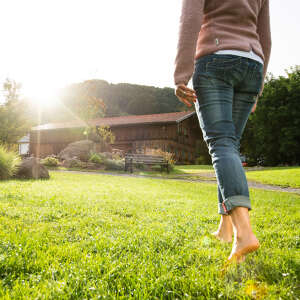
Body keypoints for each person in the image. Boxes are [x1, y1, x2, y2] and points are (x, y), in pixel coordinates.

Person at [174, 0, 271, 263]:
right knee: (229, 145)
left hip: (216, 58)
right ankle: (225, 228)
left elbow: (190, 20)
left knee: (221, 144)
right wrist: (258, 88)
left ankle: (244, 233)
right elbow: (266, 36)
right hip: (252, 64)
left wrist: (181, 75)